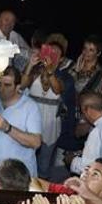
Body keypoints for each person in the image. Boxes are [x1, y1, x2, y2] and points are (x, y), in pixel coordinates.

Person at [0, 66, 42, 177]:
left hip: (19, 175)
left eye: (7, 85)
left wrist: (8, 128)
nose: (1, 89)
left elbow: (36, 142)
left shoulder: (30, 106)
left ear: (17, 87)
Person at [21, 41, 71, 179]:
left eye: (56, 53)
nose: (51, 55)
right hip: (30, 122)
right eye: (49, 51)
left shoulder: (64, 75)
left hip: (50, 124)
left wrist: (50, 71)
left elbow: (57, 89)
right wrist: (30, 64)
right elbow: (22, 85)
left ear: (61, 59)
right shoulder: (35, 71)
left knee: (44, 165)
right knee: (24, 160)